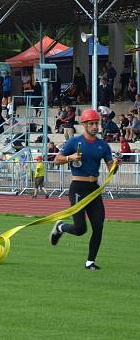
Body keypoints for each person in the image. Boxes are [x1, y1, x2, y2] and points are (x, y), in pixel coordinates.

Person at [49, 108, 120, 270]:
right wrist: (70, 157)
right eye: (92, 124)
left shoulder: (103, 146)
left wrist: (116, 165)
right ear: (84, 125)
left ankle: (90, 262)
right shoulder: (74, 142)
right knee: (80, 229)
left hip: (94, 189)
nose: (95, 126)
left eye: (97, 123)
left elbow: (111, 170)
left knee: (99, 226)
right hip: (78, 188)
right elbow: (56, 160)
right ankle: (61, 227)